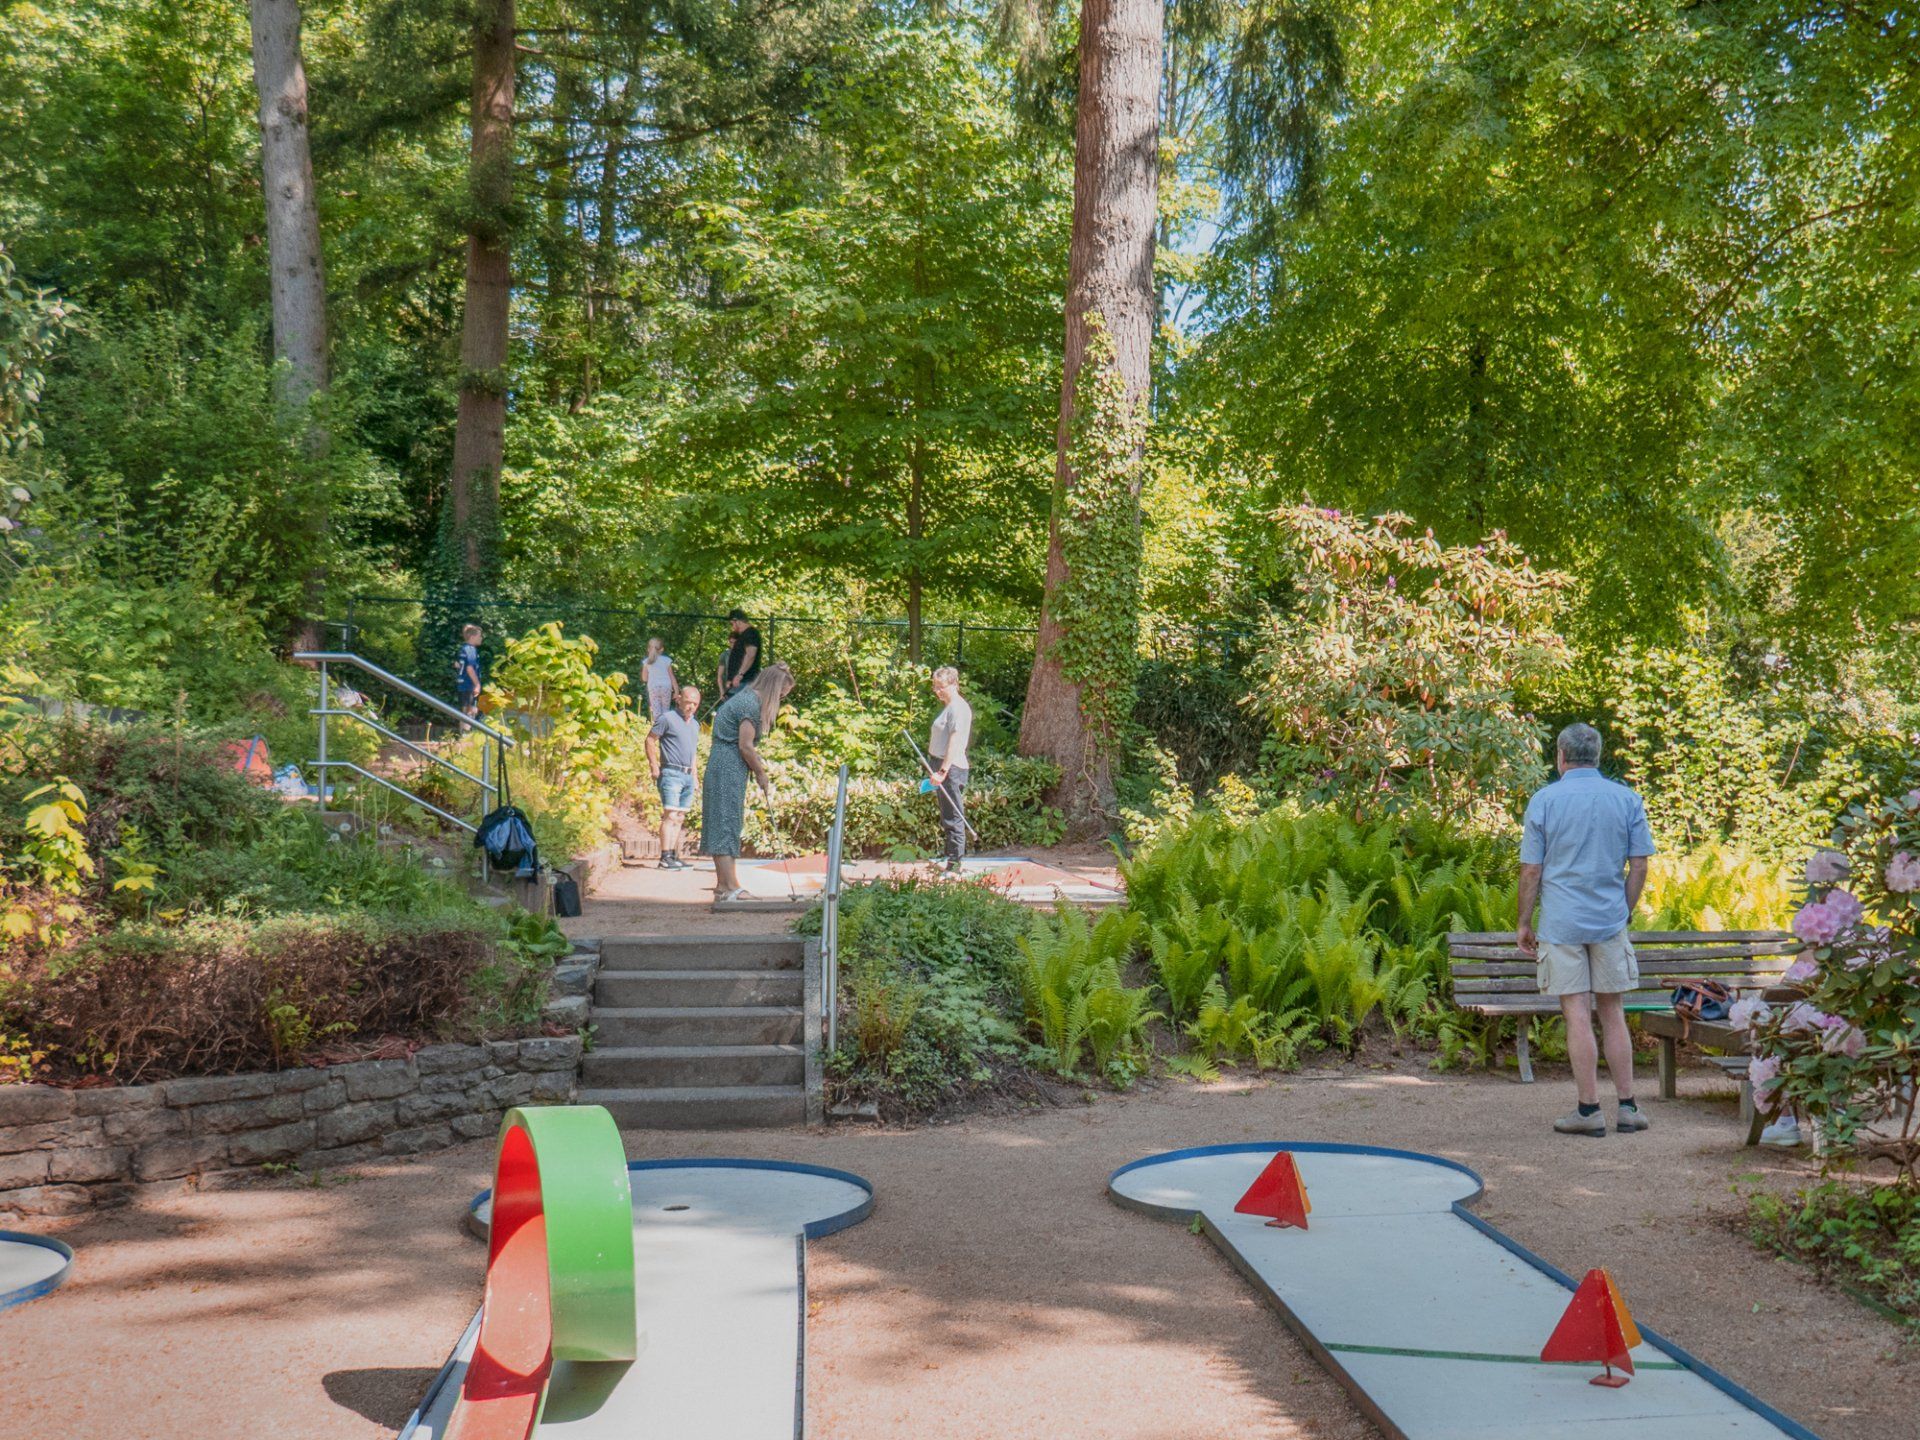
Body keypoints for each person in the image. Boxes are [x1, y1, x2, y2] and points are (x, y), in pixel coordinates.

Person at [1517, 722, 1657, 1137]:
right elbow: (1640, 864)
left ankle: (1589, 1109)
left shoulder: (1545, 800)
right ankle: (1628, 1107)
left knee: (1576, 1013)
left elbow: (1531, 870)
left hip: (1561, 923)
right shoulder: (1626, 798)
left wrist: (1524, 922)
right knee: (1613, 1011)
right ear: (1597, 756)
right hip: (1609, 921)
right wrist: (1624, 911)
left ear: (1560, 757)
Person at [701, 662, 794, 902]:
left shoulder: (744, 698)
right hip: (728, 766)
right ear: (773, 689)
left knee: (723, 821)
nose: (781, 700)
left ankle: (723, 886)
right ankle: (731, 887)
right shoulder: (750, 705)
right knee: (726, 822)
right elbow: (745, 745)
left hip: (722, 764)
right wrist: (761, 773)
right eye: (781, 695)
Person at [647, 684, 701, 870]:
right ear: (679, 700)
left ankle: (672, 855)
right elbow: (650, 739)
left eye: (695, 704)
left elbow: (693, 752)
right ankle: (664, 857)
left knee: (679, 817)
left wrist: (695, 775)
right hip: (671, 772)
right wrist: (654, 765)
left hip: (687, 774)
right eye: (688, 702)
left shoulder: (695, 724)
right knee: (670, 815)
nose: (691, 707)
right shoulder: (667, 718)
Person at [926, 666, 973, 872]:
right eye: (935, 687)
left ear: (954, 684)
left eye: (941, 687)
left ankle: (954, 865)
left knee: (953, 816)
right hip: (941, 766)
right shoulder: (949, 706)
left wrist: (943, 771)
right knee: (947, 815)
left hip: (951, 769)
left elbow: (955, 741)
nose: (937, 691)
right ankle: (950, 860)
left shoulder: (958, 708)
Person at [718, 609, 762, 697]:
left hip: (745, 681)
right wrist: (730, 679)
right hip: (737, 683)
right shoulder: (743, 635)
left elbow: (750, 655)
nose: (732, 627)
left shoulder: (751, 633)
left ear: (737, 621)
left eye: (732, 624)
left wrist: (739, 675)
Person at [641, 637, 679, 720]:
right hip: (666, 687)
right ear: (662, 649)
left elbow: (644, 678)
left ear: (648, 649)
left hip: (653, 687)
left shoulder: (647, 662)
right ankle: (665, 726)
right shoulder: (667, 660)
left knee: (656, 712)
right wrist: (676, 691)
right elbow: (672, 677)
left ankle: (658, 727)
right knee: (666, 710)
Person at [454, 623, 484, 720]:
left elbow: (458, 664)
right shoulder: (471, 650)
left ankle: (465, 729)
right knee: (469, 713)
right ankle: (466, 730)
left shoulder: (464, 648)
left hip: (462, 685)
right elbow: (470, 668)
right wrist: (477, 685)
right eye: (479, 636)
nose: (481, 638)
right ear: (472, 637)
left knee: (465, 712)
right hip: (469, 685)